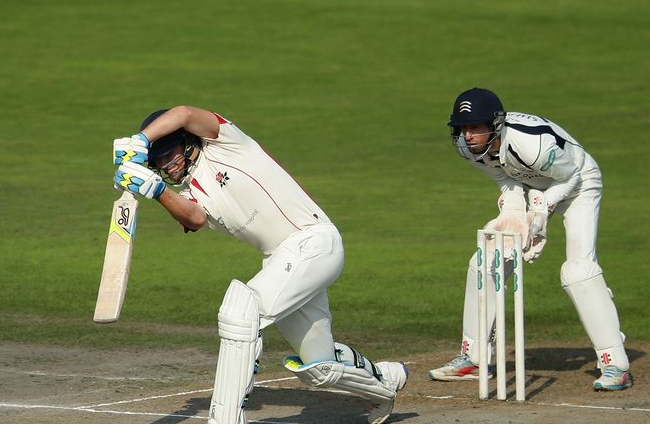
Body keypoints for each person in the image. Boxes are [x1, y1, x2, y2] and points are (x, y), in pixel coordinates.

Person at [111, 105, 408, 424]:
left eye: (169, 153)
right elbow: (194, 218)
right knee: (318, 369)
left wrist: (141, 140)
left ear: (187, 141)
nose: (166, 166)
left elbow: (183, 112)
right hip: (284, 259)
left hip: (314, 242)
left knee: (241, 311)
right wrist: (155, 190)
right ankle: (385, 382)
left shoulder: (224, 141)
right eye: (158, 163)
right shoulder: (191, 192)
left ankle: (224, 419)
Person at [428, 87, 632, 391]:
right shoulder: (464, 147)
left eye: (474, 127)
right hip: (531, 182)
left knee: (577, 271)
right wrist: (512, 209)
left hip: (576, 183)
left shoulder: (531, 142)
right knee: (486, 261)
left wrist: (541, 211)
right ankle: (473, 359)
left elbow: (571, 176)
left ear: (494, 125)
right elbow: (504, 176)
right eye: (462, 127)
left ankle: (615, 363)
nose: (467, 135)